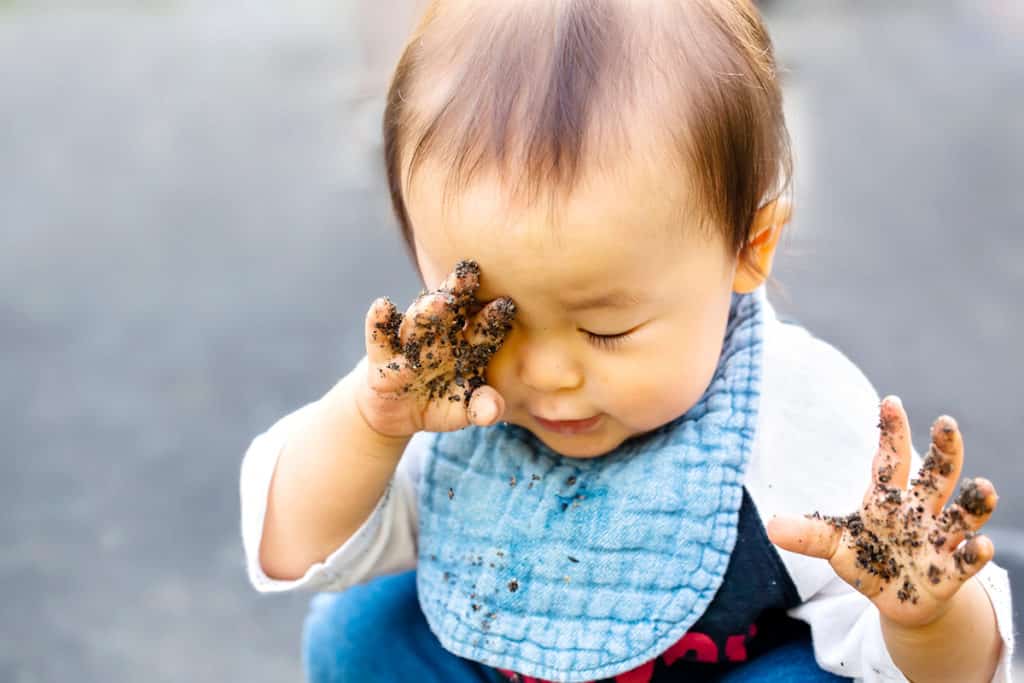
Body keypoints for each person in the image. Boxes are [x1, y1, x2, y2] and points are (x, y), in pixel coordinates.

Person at [240, 1, 1015, 681]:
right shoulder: (445, 398)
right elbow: (291, 550)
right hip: (493, 660)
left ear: (751, 245)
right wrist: (370, 425)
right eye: (493, 320)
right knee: (360, 631)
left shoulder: (799, 422)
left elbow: (962, 675)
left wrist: (926, 617)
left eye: (607, 328)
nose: (546, 374)